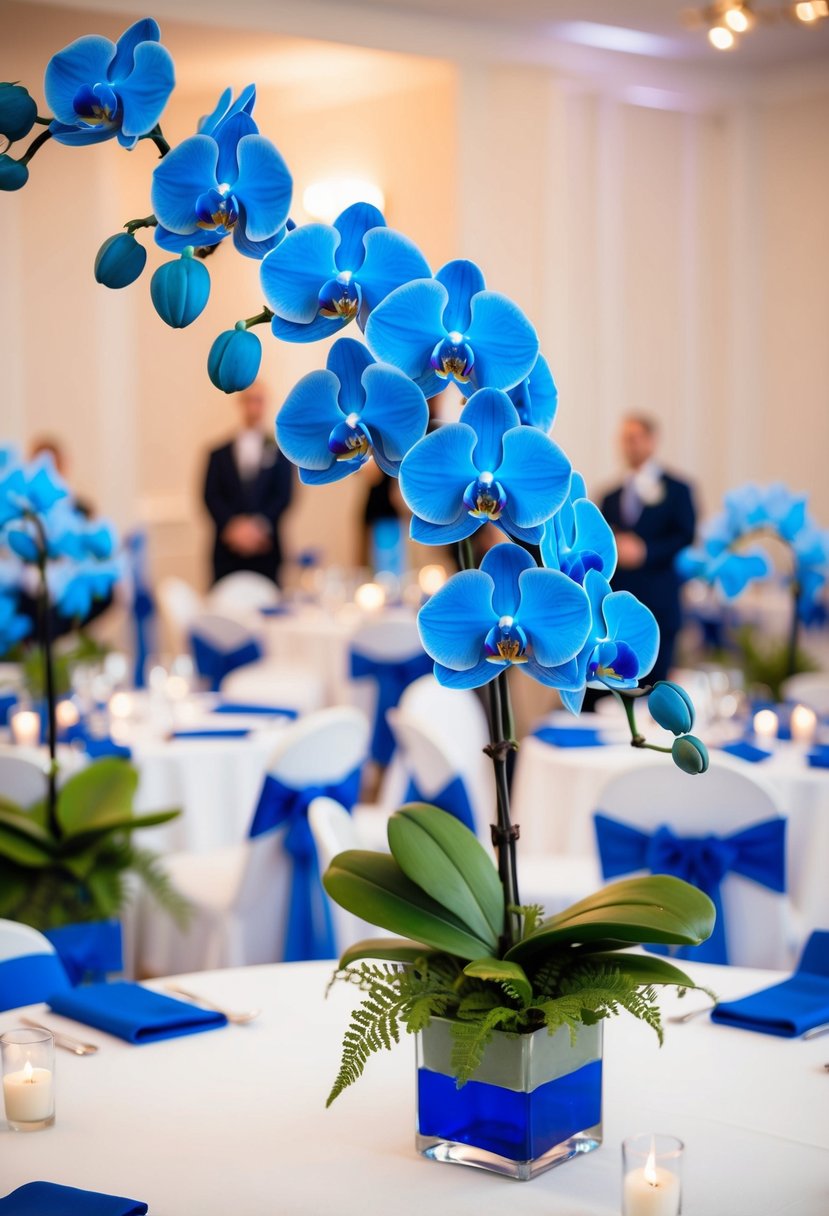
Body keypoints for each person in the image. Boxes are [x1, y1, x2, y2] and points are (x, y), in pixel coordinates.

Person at [600, 414, 696, 685]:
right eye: (624, 440)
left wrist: (645, 551)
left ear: (651, 442)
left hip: (660, 603)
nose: (628, 445)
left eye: (635, 438)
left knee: (656, 684)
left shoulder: (678, 490)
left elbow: (686, 535)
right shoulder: (609, 496)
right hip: (620, 606)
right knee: (619, 681)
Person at [203, 382, 294, 586]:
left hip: (266, 548)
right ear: (240, 403)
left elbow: (283, 496)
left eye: (258, 400)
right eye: (249, 400)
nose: (254, 406)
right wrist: (233, 527)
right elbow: (210, 496)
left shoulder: (282, 453)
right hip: (227, 550)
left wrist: (257, 527)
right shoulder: (218, 454)